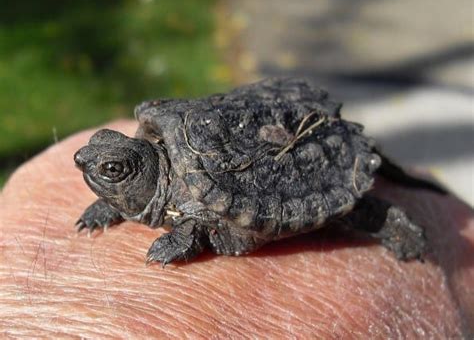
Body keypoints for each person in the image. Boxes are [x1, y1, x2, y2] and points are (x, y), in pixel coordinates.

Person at [1, 120, 472, 338]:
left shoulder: (190, 200)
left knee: (344, 212)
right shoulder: (154, 177)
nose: (86, 166)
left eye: (112, 169)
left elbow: (198, 221)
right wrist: (112, 205)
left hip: (299, 166)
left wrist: (182, 237)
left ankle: (390, 219)